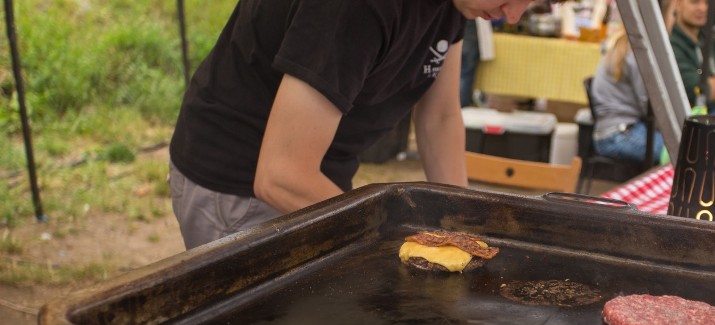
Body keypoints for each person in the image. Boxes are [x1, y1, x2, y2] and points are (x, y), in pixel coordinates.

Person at [169, 0, 553, 249]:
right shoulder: (355, 6)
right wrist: (403, 238)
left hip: (321, 173)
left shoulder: (463, 4)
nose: (515, 15)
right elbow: (280, 175)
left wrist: (463, 228)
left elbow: (439, 116)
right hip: (239, 180)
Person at [589, 0, 675, 164]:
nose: (673, 21)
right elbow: (650, 106)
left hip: (616, 130)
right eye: (672, 15)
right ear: (659, 19)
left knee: (683, 148)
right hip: (618, 135)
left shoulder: (625, 40)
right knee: (682, 153)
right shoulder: (638, 50)